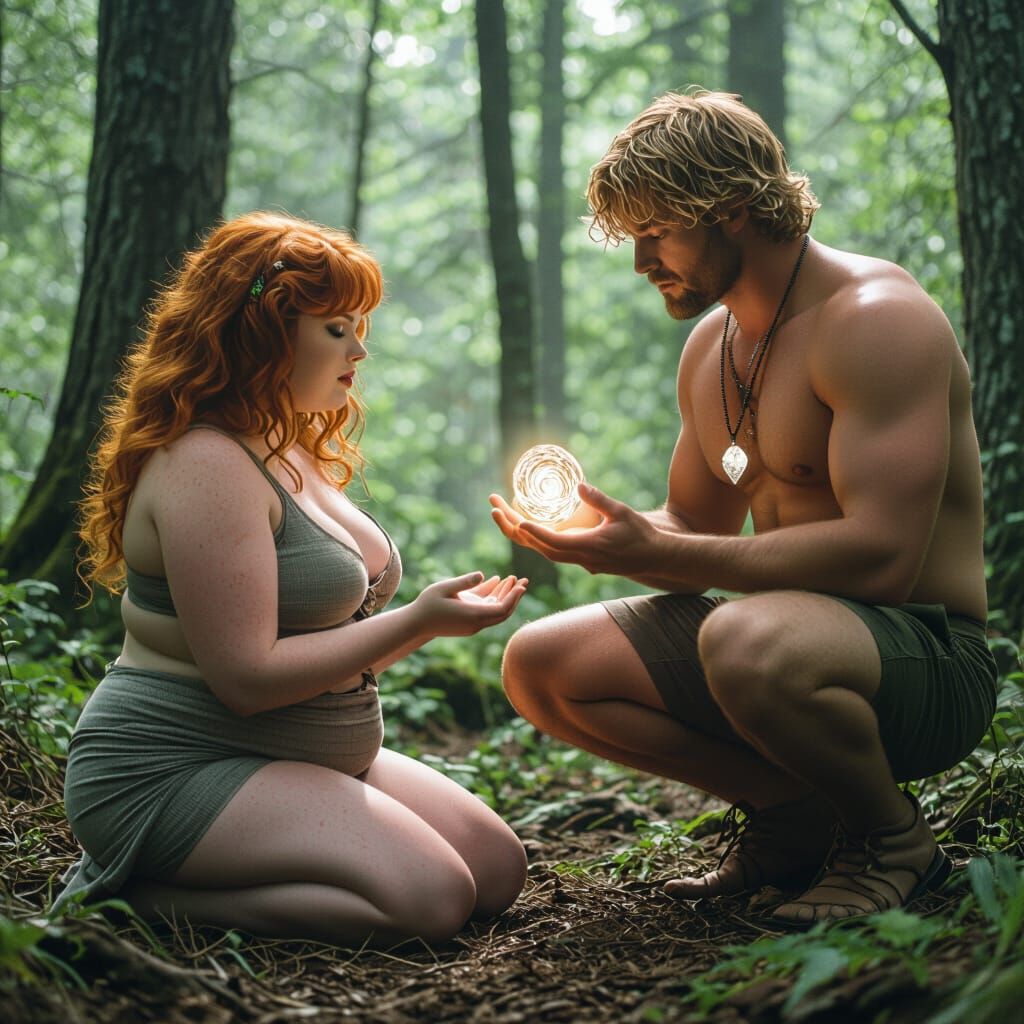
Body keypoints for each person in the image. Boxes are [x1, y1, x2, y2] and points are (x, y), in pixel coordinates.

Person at [490, 89, 997, 926]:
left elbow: (882, 558)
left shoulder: (875, 321)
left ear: (731, 211)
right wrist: (598, 532)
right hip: (780, 647)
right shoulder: (712, 346)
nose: (641, 259)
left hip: (928, 659)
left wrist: (663, 557)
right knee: (541, 664)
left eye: (657, 231)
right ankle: (794, 813)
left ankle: (892, 839)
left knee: (741, 636)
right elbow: (694, 525)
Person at [58, 211, 529, 946]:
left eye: (358, 326)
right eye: (337, 328)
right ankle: (136, 900)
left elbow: (334, 641)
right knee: (433, 899)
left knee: (497, 870)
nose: (360, 349)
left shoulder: (288, 443)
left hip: (291, 756)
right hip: (175, 768)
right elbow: (247, 678)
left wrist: (425, 620)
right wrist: (418, 621)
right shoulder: (207, 464)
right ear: (264, 334)